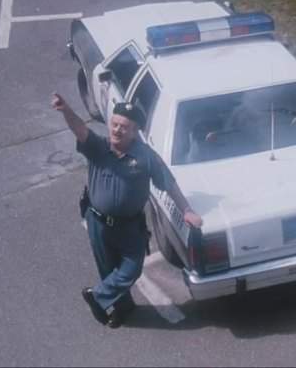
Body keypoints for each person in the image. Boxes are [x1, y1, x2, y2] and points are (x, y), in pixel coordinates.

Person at [51, 93, 203, 328]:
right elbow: (80, 129)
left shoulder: (145, 157)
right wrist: (66, 110)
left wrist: (187, 210)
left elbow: (168, 183)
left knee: (131, 269)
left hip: (130, 226)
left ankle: (97, 296)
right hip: (98, 223)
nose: (117, 130)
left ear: (135, 131)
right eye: (114, 124)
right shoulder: (98, 147)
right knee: (108, 269)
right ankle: (122, 309)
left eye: (124, 127)